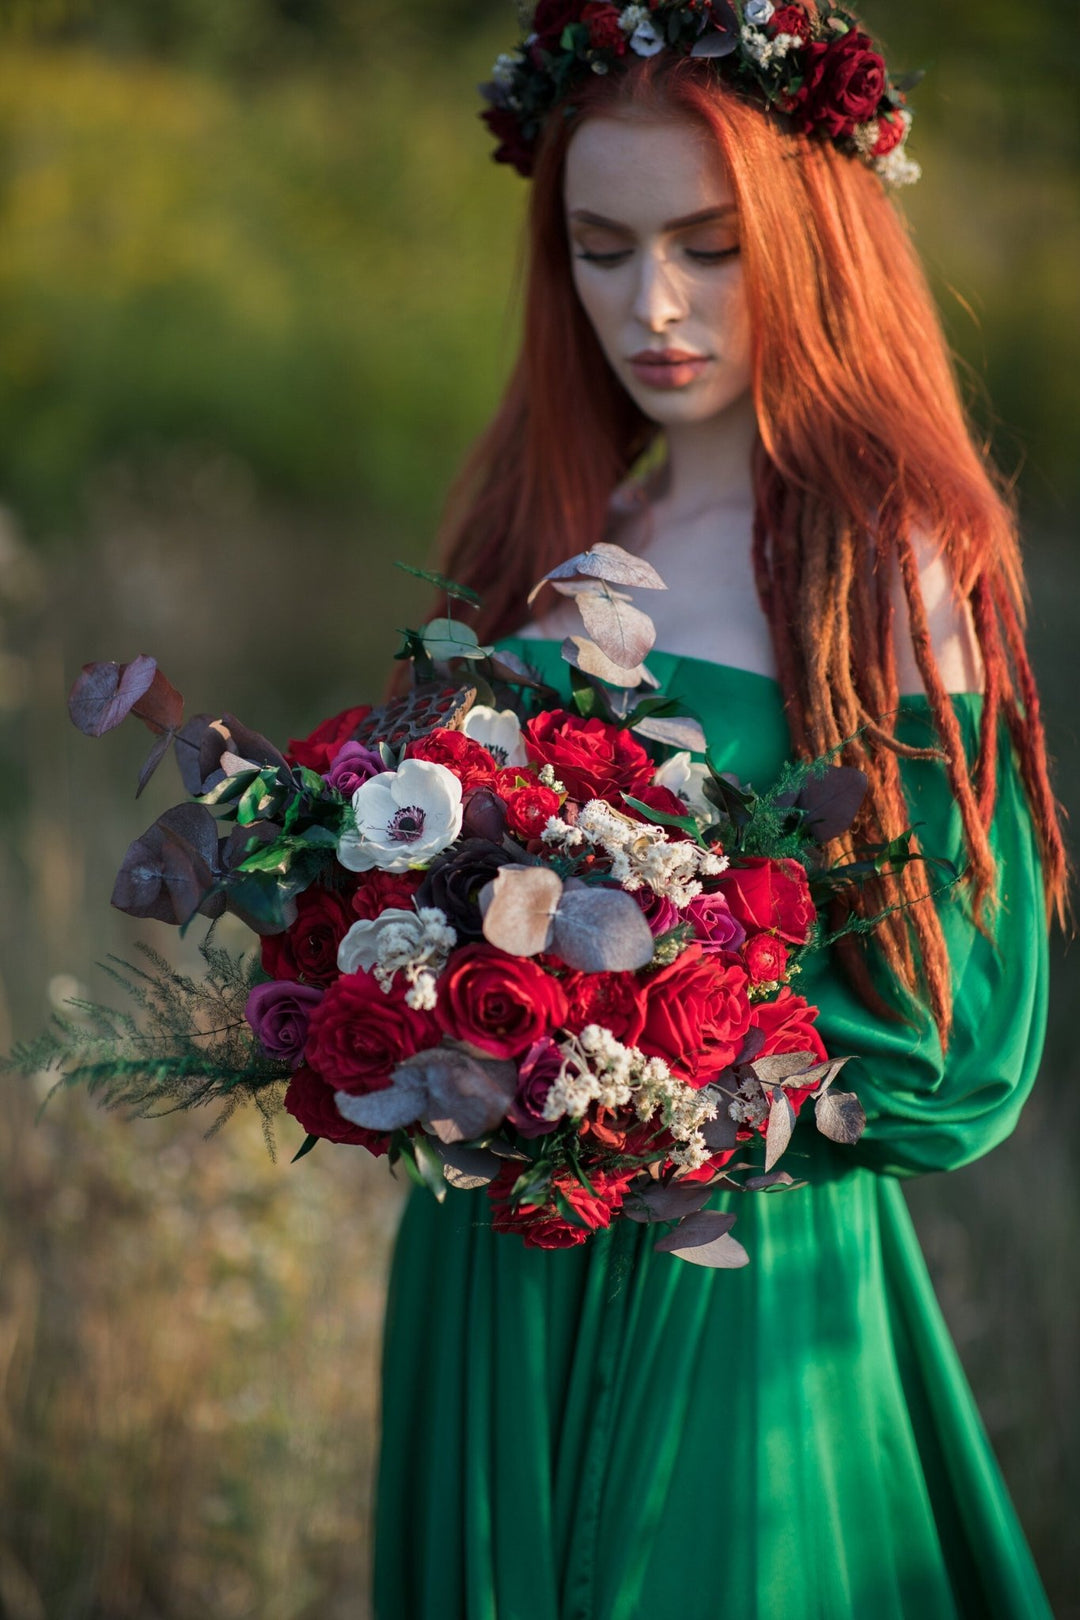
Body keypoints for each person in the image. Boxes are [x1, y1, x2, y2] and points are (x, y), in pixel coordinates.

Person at [374, 5, 1069, 1616]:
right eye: (602, 248)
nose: (654, 305)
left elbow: (958, 1053)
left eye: (711, 244)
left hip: (735, 1273)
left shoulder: (882, 565)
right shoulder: (540, 527)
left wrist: (637, 1073)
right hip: (492, 1271)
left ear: (816, 245)